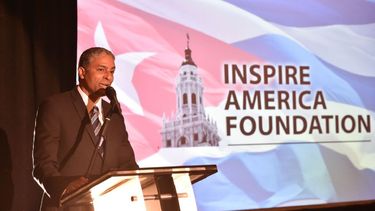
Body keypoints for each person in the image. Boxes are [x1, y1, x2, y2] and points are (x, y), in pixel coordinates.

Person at [32, 47, 139, 211]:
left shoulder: (114, 113)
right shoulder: (55, 106)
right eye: (101, 69)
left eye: (112, 71)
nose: (108, 77)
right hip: (67, 206)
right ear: (82, 72)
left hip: (109, 205)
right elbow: (43, 165)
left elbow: (128, 164)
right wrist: (66, 188)